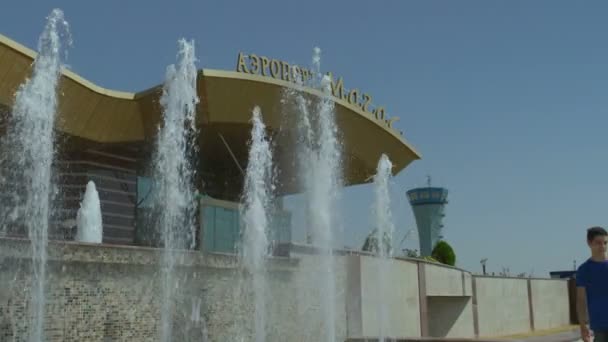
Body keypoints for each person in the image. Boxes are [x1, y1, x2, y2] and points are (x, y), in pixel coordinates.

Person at [577, 226, 608, 342]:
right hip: (598, 326)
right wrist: (582, 325)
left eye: (605, 242)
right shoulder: (584, 270)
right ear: (589, 243)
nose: (603, 246)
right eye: (598, 243)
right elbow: (581, 300)